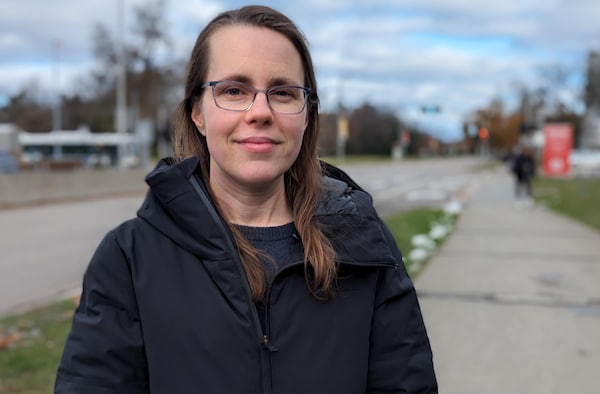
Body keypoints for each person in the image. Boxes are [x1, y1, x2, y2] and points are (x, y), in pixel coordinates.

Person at [55, 5, 437, 393]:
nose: (260, 111)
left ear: (307, 115)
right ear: (197, 114)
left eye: (283, 92)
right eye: (234, 91)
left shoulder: (365, 247)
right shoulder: (129, 257)